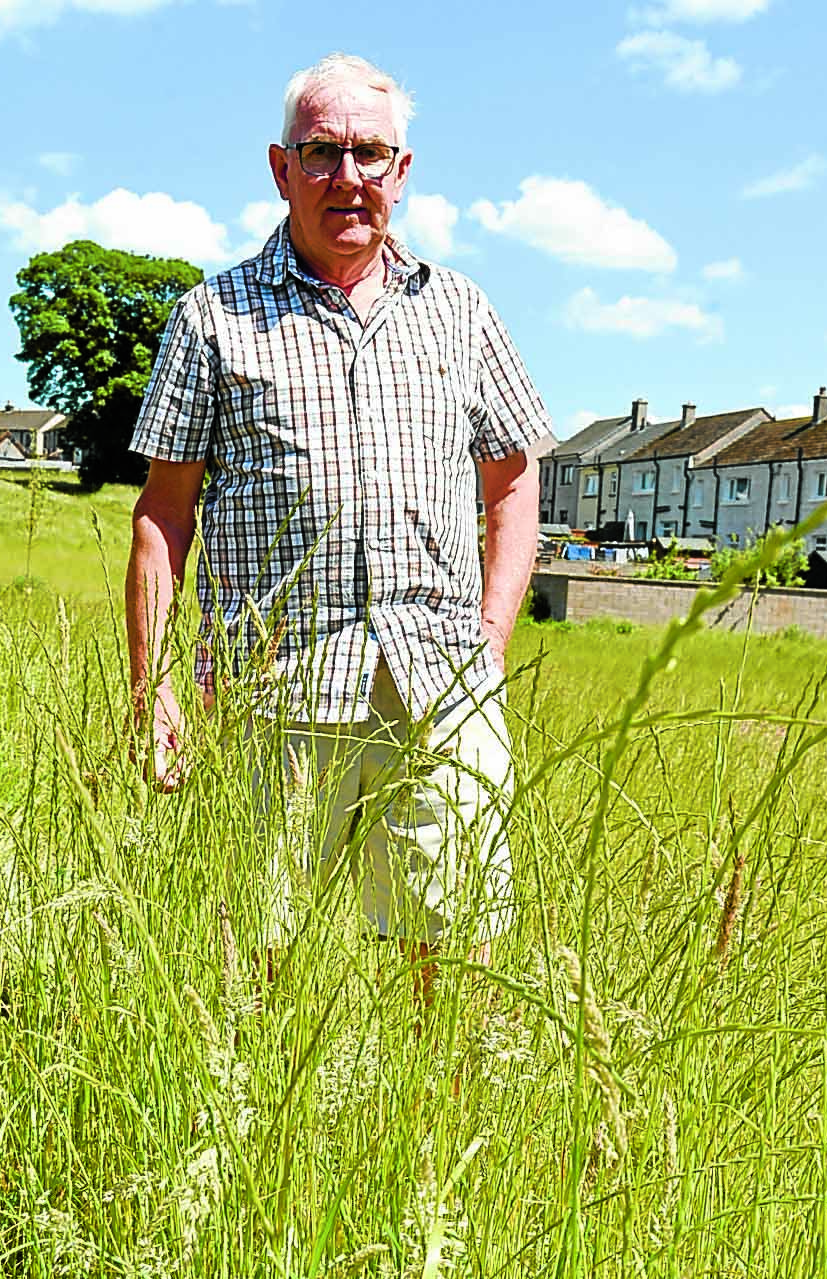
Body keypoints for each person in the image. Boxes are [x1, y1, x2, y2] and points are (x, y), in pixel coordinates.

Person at [126, 52, 554, 991]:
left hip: (441, 684)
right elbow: (163, 518)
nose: (347, 178)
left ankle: (438, 1126)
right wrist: (153, 688)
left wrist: (491, 635)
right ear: (280, 169)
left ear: (404, 171)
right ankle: (239, 1126)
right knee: (249, 946)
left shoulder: (461, 311)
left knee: (455, 939)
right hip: (271, 682)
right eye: (322, 153)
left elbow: (515, 482)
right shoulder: (213, 317)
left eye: (370, 153)